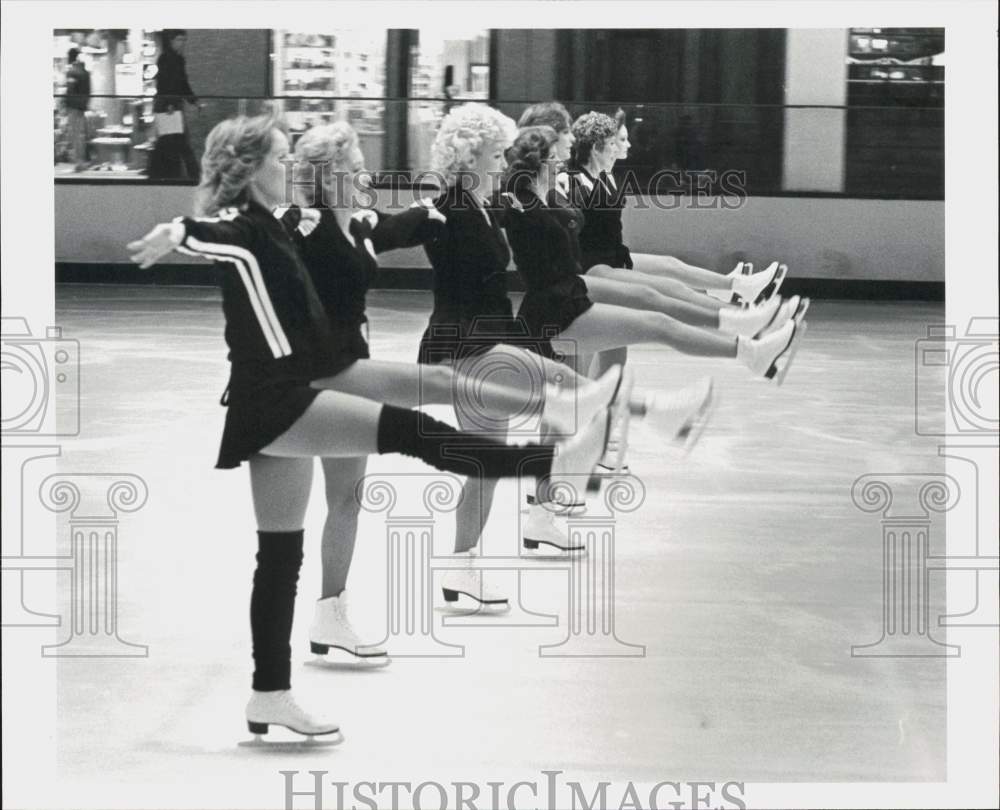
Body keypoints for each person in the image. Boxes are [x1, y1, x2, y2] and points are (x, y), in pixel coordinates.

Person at [126, 111, 620, 743]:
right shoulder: (269, 224)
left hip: (316, 374)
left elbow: (389, 227)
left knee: (289, 547)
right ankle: (552, 464)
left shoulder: (334, 224)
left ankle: (273, 688)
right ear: (260, 170)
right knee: (415, 427)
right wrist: (177, 230)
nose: (295, 169)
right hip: (289, 391)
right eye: (283, 160)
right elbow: (215, 231)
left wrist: (431, 210)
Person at [287, 119, 711, 624]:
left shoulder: (475, 208)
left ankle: (458, 567)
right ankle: (650, 418)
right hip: (462, 343)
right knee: (570, 387)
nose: (503, 163)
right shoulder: (447, 205)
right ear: (469, 158)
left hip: (476, 339)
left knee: (481, 463)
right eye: (495, 155)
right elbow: (399, 223)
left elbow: (402, 223)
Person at [501, 126, 806, 384]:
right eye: (553, 158)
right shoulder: (520, 204)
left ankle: (743, 329)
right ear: (536, 164)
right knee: (657, 323)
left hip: (571, 293)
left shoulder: (548, 198)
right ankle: (744, 336)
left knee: (646, 325)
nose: (561, 162)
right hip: (553, 309)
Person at [148, 29, 200, 180]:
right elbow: (168, 83)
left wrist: (193, 100)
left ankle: (162, 172)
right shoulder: (168, 59)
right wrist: (171, 102)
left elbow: (181, 84)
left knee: (169, 139)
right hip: (169, 105)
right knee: (176, 140)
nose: (182, 44)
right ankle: (191, 174)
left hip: (168, 104)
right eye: (179, 40)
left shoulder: (174, 59)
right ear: (171, 41)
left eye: (184, 40)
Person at [64, 48, 90, 171]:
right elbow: (88, 91)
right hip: (82, 106)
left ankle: (79, 163)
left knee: (75, 134)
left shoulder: (72, 72)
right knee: (81, 134)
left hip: (73, 106)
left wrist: (65, 103)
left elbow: (70, 89)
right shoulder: (85, 72)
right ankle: (83, 161)